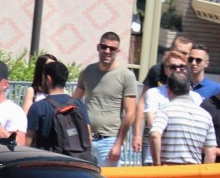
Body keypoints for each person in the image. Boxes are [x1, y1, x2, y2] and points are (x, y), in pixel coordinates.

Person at [73, 31, 138, 167]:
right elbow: (74, 102)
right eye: (104, 47)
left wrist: (118, 144)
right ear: (98, 47)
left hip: (109, 141)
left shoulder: (126, 75)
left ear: (117, 51)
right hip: (86, 140)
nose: (107, 51)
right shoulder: (87, 72)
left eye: (112, 49)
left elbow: (130, 112)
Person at [133, 33, 193, 159]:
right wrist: (137, 134)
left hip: (177, 136)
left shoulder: (187, 75)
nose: (180, 56)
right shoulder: (157, 71)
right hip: (153, 129)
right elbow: (142, 102)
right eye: (177, 51)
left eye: (185, 53)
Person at [25, 61, 93, 161]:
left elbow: (27, 143)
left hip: (47, 164)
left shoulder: (38, 107)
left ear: (48, 79)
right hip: (75, 163)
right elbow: (88, 138)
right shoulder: (78, 105)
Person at [139, 52, 197, 165]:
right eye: (173, 67)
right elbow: (152, 123)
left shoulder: (195, 97)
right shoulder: (154, 93)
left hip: (185, 160)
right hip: (156, 159)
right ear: (166, 70)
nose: (178, 69)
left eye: (182, 66)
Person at [150, 72, 217, 166]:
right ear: (189, 89)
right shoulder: (205, 115)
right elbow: (211, 151)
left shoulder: (164, 110)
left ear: (169, 91)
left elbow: (155, 135)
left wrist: (157, 165)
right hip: (194, 173)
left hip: (168, 171)